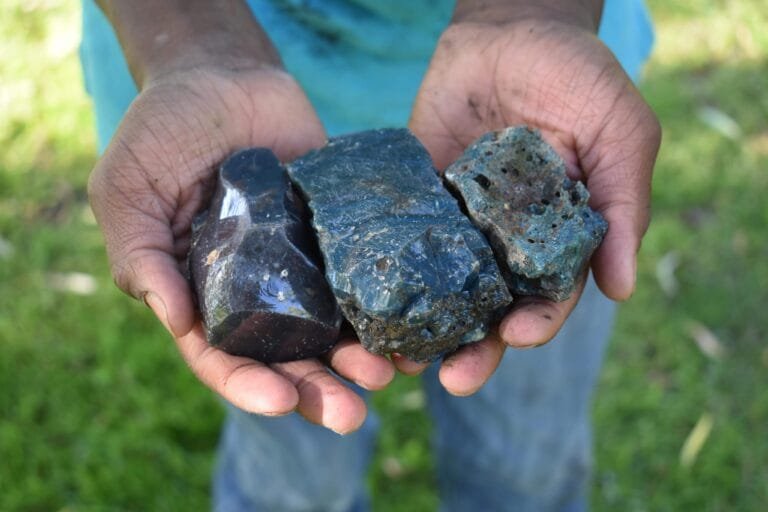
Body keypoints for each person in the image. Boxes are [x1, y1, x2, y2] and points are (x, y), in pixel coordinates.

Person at [81, 0, 661, 510]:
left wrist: (534, 13)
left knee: (526, 461)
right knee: (295, 482)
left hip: (525, 100)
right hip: (204, 85)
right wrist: (195, 44)